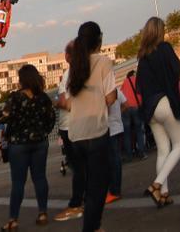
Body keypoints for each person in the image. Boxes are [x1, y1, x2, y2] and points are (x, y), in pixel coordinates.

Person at [136, 17, 180, 209]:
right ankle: (156, 185)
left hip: (150, 109)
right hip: (164, 103)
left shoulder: (143, 57)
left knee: (163, 150)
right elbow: (178, 72)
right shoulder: (164, 48)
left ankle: (163, 194)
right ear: (159, 31)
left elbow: (140, 87)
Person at [59, 22, 115, 232]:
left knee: (88, 183)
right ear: (99, 40)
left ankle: (95, 227)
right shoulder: (103, 62)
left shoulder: (74, 67)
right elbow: (110, 97)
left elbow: (69, 102)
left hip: (75, 135)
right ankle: (92, 228)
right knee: (98, 188)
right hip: (96, 132)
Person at [0, 64, 56, 230]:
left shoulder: (15, 98)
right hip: (40, 142)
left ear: (22, 79)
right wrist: (42, 132)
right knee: (40, 177)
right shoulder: (43, 97)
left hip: (18, 144)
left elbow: (3, 117)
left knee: (18, 182)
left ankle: (13, 220)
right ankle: (43, 213)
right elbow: (51, 119)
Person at [54, 41, 85, 222]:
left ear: (67, 57)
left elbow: (64, 103)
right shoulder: (88, 72)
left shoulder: (68, 75)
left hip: (69, 126)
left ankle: (75, 203)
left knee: (77, 166)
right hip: (86, 124)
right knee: (86, 165)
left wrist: (57, 102)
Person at [106, 82, 125, 205]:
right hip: (118, 127)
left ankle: (114, 191)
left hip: (109, 129)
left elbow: (106, 108)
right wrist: (118, 116)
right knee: (116, 159)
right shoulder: (117, 90)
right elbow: (126, 105)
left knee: (113, 161)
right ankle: (115, 190)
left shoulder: (106, 93)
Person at [120, 70, 144, 161]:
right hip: (136, 107)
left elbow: (121, 94)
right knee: (139, 130)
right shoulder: (138, 79)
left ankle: (129, 155)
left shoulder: (125, 82)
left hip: (126, 108)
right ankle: (141, 153)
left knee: (127, 133)